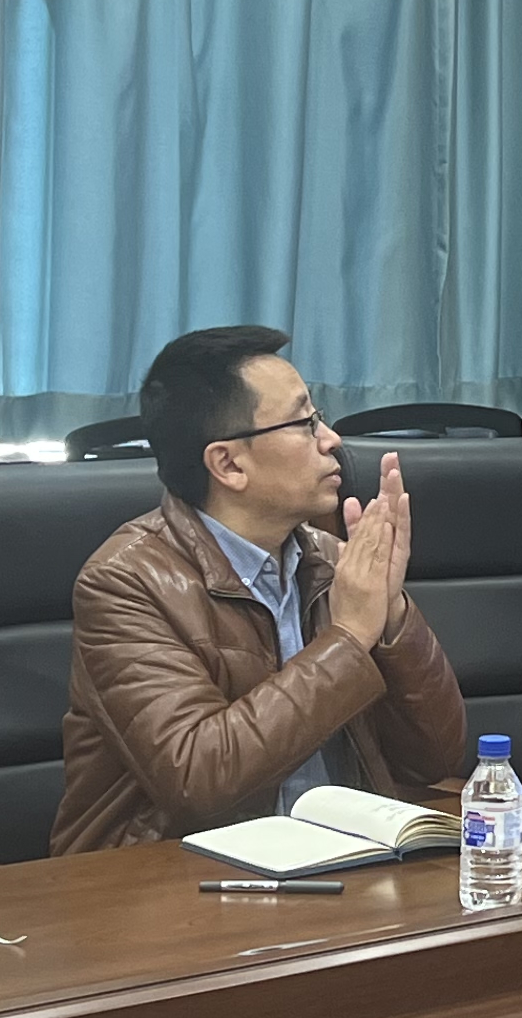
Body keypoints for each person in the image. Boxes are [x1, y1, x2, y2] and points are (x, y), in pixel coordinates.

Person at [54, 324, 470, 855]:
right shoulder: (125, 582)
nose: (332, 440)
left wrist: (389, 614)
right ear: (228, 464)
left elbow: (436, 759)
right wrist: (348, 637)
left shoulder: (332, 562)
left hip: (343, 864)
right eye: (304, 423)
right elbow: (201, 782)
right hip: (175, 880)